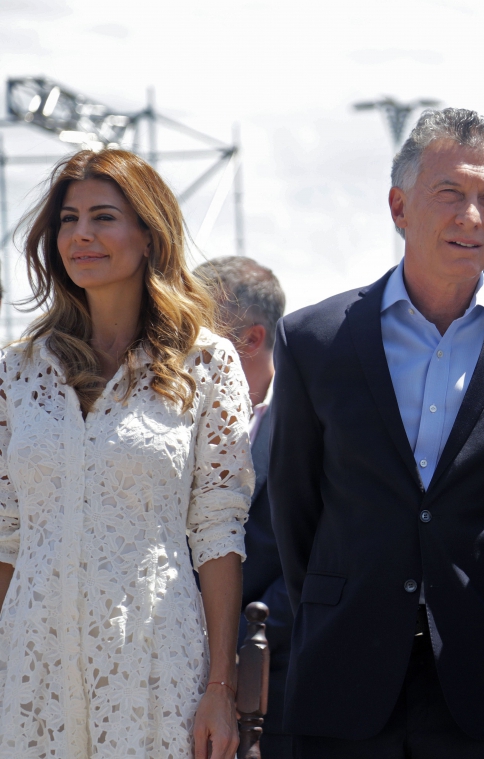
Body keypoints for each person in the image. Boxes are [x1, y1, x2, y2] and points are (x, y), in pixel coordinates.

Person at [270, 108, 484, 758]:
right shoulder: (315, 341)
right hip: (343, 679)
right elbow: (295, 511)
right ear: (399, 205)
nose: (472, 215)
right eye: (450, 193)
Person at [0, 149, 253, 759]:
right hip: (31, 671)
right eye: (68, 220)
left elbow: (218, 531)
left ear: (149, 235)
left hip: (152, 664)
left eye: (103, 217)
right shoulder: (18, 370)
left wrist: (221, 686)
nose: (81, 235)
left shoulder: (207, 363)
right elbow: (7, 533)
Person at [194, 255, 291, 758]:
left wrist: (237, 644)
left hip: (279, 691)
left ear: (250, 341)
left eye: (194, 328)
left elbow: (322, 554)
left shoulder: (307, 429)